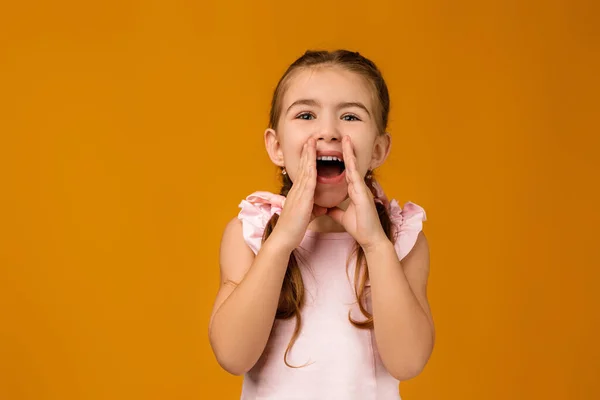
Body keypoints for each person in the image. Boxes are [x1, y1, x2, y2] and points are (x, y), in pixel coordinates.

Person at [209, 49, 435, 399]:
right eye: (306, 114)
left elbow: (408, 362)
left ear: (377, 150)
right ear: (277, 147)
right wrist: (282, 241)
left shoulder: (402, 239)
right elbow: (232, 354)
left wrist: (376, 246)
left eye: (350, 117)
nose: (328, 131)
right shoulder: (250, 233)